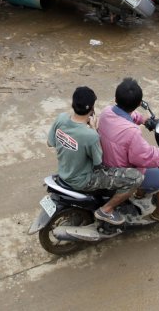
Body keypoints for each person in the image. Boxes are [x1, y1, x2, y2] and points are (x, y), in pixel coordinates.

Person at [97, 77, 159, 227]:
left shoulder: (106, 112)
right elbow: (147, 157)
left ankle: (139, 194)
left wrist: (142, 119)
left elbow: (126, 114)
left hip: (106, 161)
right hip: (123, 172)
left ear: (115, 99)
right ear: (139, 104)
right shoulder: (132, 133)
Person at [47, 86, 142, 225]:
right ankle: (106, 210)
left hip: (64, 172)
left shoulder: (61, 118)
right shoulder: (90, 136)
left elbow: (51, 143)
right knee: (136, 178)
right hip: (83, 180)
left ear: (73, 104)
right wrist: (94, 130)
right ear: (92, 109)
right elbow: (99, 163)